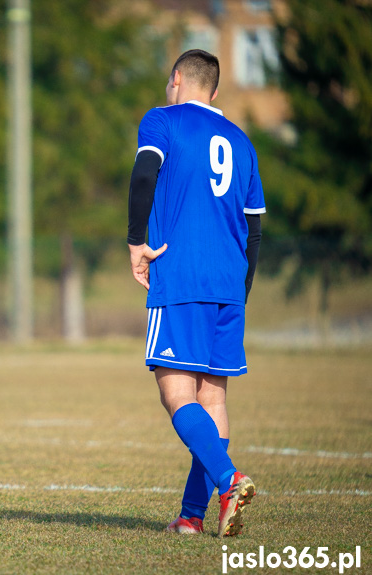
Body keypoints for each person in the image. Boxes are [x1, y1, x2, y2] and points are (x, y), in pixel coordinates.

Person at [126, 50, 264, 538]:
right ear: (217, 92)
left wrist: (135, 241)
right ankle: (191, 517)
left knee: (176, 394)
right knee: (214, 400)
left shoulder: (161, 120)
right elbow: (254, 230)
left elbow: (144, 175)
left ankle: (229, 481)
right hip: (229, 283)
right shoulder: (243, 143)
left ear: (177, 79)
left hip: (182, 277)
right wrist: (240, 291)